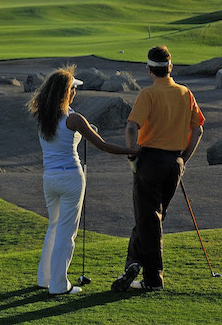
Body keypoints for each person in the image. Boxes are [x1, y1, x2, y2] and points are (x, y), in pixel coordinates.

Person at [27, 65, 140, 296]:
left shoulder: (44, 117)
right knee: (67, 233)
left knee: (54, 227)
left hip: (49, 178)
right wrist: (133, 151)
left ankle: (44, 277)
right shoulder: (75, 119)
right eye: (72, 89)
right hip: (70, 178)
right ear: (65, 93)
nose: (75, 92)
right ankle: (59, 285)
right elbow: (103, 145)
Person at [111, 45, 204, 292]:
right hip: (174, 162)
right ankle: (135, 263)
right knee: (151, 217)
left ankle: (153, 279)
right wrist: (183, 159)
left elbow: (132, 127)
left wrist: (132, 157)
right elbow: (198, 130)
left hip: (150, 161)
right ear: (170, 67)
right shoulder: (186, 93)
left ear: (150, 70)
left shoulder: (148, 95)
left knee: (149, 218)